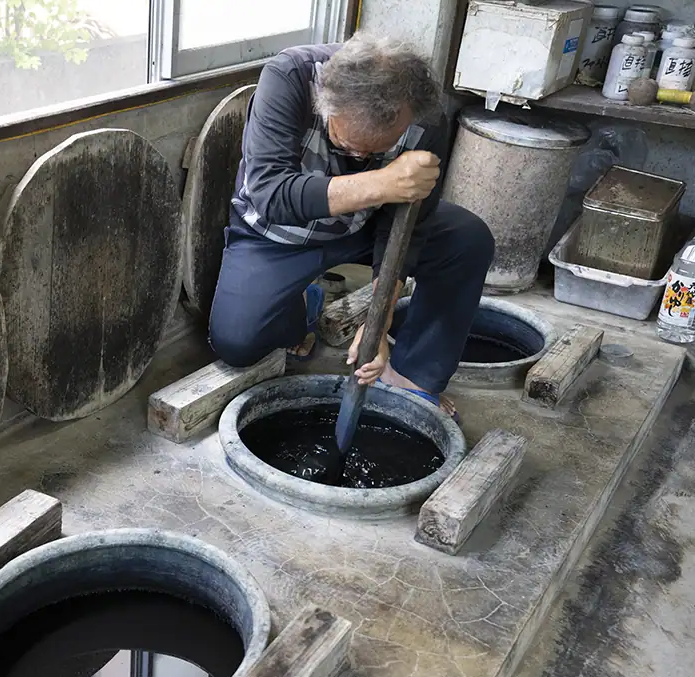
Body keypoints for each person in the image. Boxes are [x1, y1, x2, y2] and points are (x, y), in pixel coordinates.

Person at [208, 33, 495, 419]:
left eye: (376, 152)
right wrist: (382, 182)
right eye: (346, 142)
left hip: (364, 227)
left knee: (467, 238)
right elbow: (269, 194)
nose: (358, 156)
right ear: (327, 101)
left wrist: (381, 316)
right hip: (277, 237)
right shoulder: (289, 77)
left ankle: (412, 375)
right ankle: (300, 304)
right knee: (237, 344)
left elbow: (409, 223)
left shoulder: (424, 114)